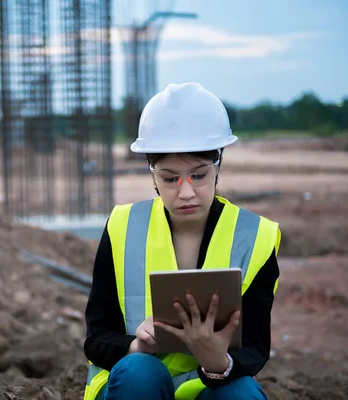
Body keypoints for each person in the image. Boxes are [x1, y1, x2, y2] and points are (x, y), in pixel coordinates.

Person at [82, 82, 281, 400]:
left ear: (218, 165)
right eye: (170, 177)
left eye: (199, 175)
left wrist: (218, 362)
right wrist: (137, 346)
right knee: (140, 372)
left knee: (242, 393)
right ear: (152, 173)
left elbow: (256, 347)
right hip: (136, 385)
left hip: (208, 386)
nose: (186, 192)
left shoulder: (256, 238)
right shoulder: (123, 226)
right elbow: (96, 336)